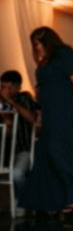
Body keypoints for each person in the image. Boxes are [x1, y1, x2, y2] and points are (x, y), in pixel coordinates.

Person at [19, 27, 73, 213]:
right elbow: (42, 93)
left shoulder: (63, 54)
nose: (36, 48)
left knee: (60, 152)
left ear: (46, 41)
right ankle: (56, 200)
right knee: (47, 156)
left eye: (37, 44)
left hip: (65, 113)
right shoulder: (45, 62)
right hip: (50, 115)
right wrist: (40, 117)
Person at [0, 70, 38, 207]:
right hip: (5, 151)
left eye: (10, 88)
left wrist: (10, 101)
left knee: (17, 174)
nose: (6, 91)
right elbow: (7, 128)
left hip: (23, 149)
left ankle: (21, 201)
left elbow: (31, 118)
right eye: (3, 87)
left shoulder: (24, 98)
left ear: (18, 87)